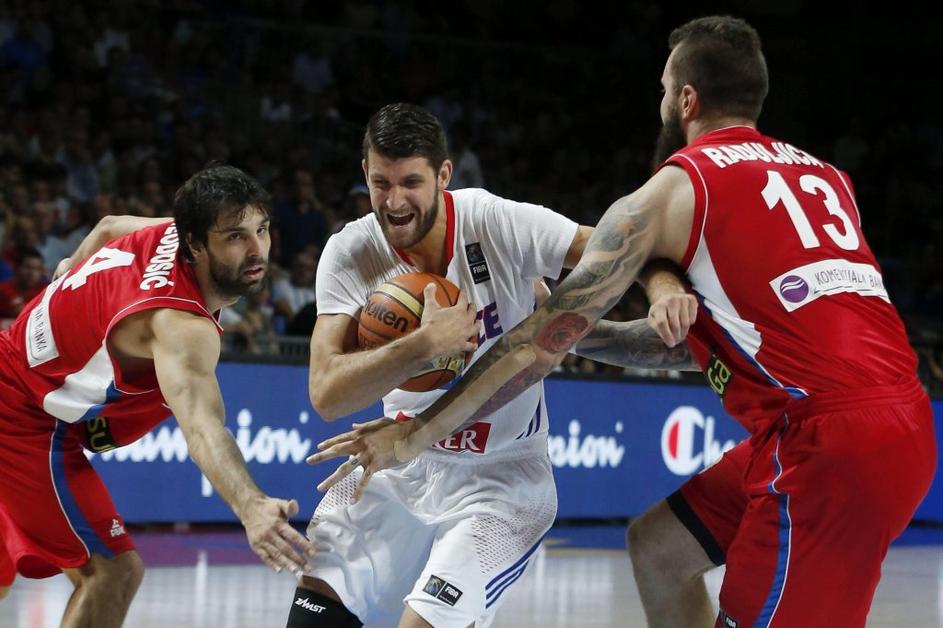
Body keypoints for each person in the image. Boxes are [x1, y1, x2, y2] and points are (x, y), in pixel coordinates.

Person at [311, 18, 936, 628]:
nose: (659, 102)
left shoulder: (675, 188)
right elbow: (718, 345)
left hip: (827, 447)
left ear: (685, 100)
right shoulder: (823, 176)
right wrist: (592, 330)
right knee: (660, 549)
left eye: (663, 89)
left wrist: (416, 433)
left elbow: (534, 349)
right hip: (892, 416)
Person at [287, 103, 696, 628]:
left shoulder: (494, 221)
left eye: (410, 182)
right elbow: (326, 394)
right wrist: (420, 346)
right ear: (364, 174)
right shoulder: (350, 252)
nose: (394, 201)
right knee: (314, 608)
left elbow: (623, 247)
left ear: (443, 175)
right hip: (399, 458)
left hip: (501, 478)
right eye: (380, 183)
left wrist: (664, 290)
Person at [0, 165, 314, 627]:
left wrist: (65, 276)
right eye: (235, 237)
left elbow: (108, 227)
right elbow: (202, 428)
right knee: (113, 574)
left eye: (262, 230)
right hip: (21, 415)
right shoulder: (180, 325)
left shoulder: (171, 232)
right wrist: (251, 506)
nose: (257, 250)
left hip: (30, 387)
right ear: (196, 245)